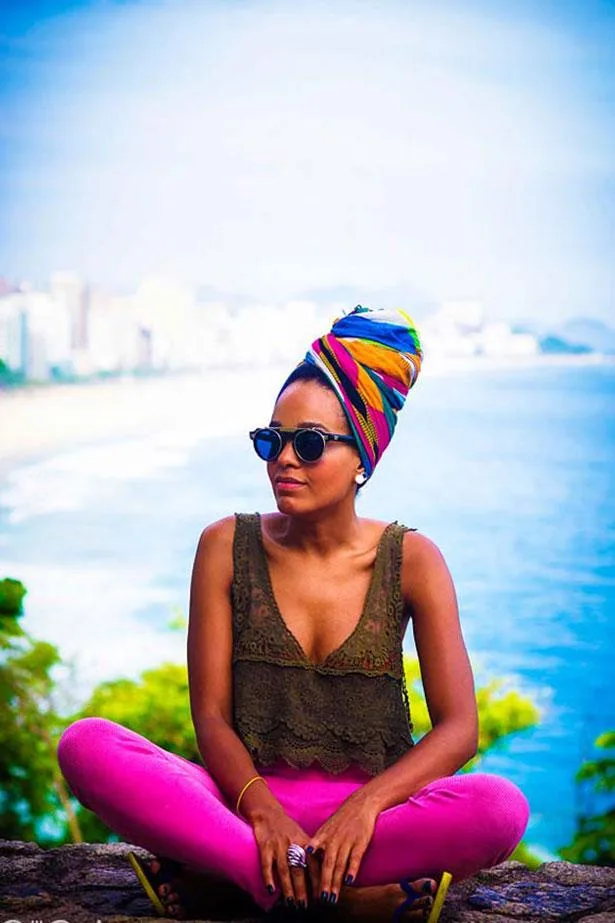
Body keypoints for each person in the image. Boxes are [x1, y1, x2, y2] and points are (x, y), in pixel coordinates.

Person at [57, 305, 529, 922]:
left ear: (362, 457)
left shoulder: (413, 560)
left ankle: (238, 879)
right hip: (241, 804)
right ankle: (326, 893)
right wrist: (262, 810)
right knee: (87, 745)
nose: (284, 459)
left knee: (499, 807)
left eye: (308, 445)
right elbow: (211, 716)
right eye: (271, 440)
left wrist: (364, 808)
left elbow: (459, 729)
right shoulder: (226, 545)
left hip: (374, 819)